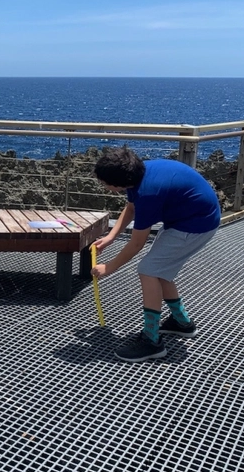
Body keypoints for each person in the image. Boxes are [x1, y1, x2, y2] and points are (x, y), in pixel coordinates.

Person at [91, 146, 220, 362]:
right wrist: (111, 236)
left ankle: (152, 341)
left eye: (105, 183)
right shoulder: (138, 173)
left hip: (196, 225)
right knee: (160, 271)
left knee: (148, 270)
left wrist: (109, 267)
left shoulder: (148, 193)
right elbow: (131, 208)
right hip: (189, 218)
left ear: (118, 183)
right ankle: (182, 323)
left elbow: (136, 244)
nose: (104, 187)